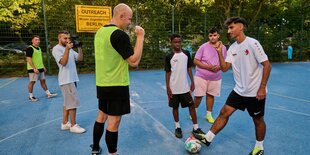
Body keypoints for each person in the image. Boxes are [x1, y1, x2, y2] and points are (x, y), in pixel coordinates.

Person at [199, 17, 272, 155]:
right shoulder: (232, 47)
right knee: (224, 113)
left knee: (257, 120)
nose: (229, 31)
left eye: (231, 27)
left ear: (241, 27)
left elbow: (267, 65)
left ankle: (259, 147)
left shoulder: (253, 43)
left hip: (255, 91)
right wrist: (220, 52)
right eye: (228, 28)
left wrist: (262, 87)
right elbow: (225, 68)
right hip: (239, 90)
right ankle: (208, 138)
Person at [91, 3, 144, 155]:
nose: (130, 22)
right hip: (116, 84)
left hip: (102, 83)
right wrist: (140, 37)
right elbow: (134, 61)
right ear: (121, 16)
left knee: (101, 116)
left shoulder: (100, 32)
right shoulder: (119, 35)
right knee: (114, 122)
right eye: (129, 19)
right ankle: (112, 153)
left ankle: (95, 148)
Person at [165, 34, 205, 140]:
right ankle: (177, 127)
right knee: (175, 107)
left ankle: (196, 128)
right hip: (174, 88)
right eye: (175, 42)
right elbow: (168, 73)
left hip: (185, 88)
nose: (177, 44)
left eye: (179, 41)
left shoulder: (186, 54)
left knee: (192, 106)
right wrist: (168, 87)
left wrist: (192, 81)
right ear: (171, 43)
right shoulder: (169, 56)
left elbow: (189, 68)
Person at [52, 31, 86, 134]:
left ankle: (65, 123)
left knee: (67, 102)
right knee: (72, 103)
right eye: (64, 38)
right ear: (59, 38)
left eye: (68, 38)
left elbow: (79, 59)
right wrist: (67, 49)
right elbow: (63, 62)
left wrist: (79, 47)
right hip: (66, 79)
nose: (67, 40)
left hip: (72, 79)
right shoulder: (56, 49)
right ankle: (73, 125)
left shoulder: (70, 49)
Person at [193, 27, 227, 124]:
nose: (212, 37)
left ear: (218, 36)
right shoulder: (203, 47)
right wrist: (208, 67)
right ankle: (193, 111)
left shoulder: (223, 48)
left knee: (210, 96)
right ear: (208, 36)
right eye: (210, 35)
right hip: (201, 76)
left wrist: (219, 67)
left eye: (214, 35)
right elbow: (195, 61)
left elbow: (225, 62)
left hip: (215, 77)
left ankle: (208, 114)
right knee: (198, 96)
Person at [26, 35, 57, 102]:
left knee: (43, 81)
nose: (38, 41)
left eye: (38, 40)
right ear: (32, 41)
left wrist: (43, 66)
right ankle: (31, 96)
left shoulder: (39, 48)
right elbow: (28, 59)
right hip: (33, 69)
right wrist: (34, 68)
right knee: (32, 82)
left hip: (40, 68)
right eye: (36, 39)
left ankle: (48, 94)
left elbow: (39, 59)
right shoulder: (30, 48)